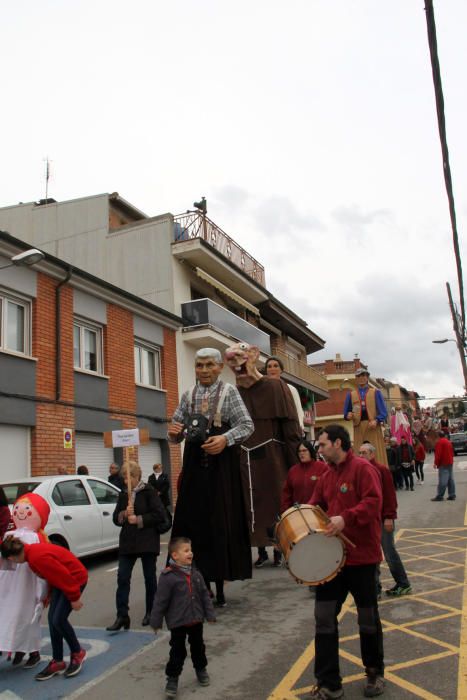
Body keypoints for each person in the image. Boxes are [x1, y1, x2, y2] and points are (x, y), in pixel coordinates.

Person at [169, 348, 254, 607]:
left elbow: (247, 425)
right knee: (194, 525)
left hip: (221, 468)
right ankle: (199, 584)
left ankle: (220, 586)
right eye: (199, 365)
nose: (204, 370)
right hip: (195, 466)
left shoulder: (229, 392)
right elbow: (175, 429)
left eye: (209, 365)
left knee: (220, 523)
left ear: (219, 368)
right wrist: (173, 433)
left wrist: (225, 439)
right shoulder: (187, 395)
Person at [308, 424, 384, 699]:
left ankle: (374, 673)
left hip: (362, 557)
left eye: (323, 444)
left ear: (338, 443)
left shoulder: (363, 469)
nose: (319, 448)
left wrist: (346, 518)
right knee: (324, 618)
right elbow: (315, 507)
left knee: (367, 618)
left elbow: (374, 502)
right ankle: (329, 683)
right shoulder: (327, 475)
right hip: (332, 560)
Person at [224, 342, 302, 568]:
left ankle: (281, 549)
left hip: (273, 459)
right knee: (251, 507)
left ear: (253, 355)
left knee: (276, 503)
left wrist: (296, 463)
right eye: (231, 360)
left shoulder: (277, 387)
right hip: (245, 460)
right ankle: (260, 550)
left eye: (239, 357)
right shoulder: (234, 393)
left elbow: (291, 430)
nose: (236, 364)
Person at [1, 537, 88, 681]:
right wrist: (49, 595)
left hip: (74, 579)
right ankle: (58, 661)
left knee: (58, 620)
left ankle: (77, 652)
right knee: (52, 620)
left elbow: (63, 575)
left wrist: (74, 597)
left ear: (11, 557)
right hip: (63, 583)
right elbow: (51, 575)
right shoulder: (31, 554)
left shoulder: (36, 557)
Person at [150, 536, 216, 698]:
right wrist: (156, 621)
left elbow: (205, 596)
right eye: (186, 550)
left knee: (198, 647)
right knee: (177, 652)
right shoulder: (168, 577)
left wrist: (210, 614)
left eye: (191, 550)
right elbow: (160, 602)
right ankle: (172, 679)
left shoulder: (196, 574)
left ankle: (201, 670)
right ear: (174, 555)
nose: (190, 553)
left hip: (196, 620)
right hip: (178, 623)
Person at [106, 461, 167, 630]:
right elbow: (115, 519)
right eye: (124, 478)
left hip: (147, 540)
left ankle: (151, 612)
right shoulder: (123, 495)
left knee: (149, 578)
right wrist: (124, 514)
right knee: (123, 577)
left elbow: (159, 515)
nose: (126, 481)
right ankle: (122, 615)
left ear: (136, 476)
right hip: (128, 541)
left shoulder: (148, 491)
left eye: (128, 478)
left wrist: (139, 519)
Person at [0, 493, 50, 669]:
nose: (21, 512)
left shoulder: (37, 538)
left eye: (27, 509)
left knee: (27, 617)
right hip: (9, 584)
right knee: (8, 616)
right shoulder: (9, 534)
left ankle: (32, 652)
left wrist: (42, 593)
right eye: (19, 508)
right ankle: (16, 649)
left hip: (28, 583)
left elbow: (42, 566)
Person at [358, 443, 411, 598]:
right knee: (372, 554)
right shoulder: (361, 471)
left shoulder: (382, 470)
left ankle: (403, 583)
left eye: (364, 453)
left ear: (372, 454)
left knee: (389, 552)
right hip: (369, 521)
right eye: (359, 453)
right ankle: (375, 588)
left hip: (383, 519)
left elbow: (390, 496)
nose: (361, 456)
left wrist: (389, 517)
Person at [343, 368, 388, 465]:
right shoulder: (350, 394)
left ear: (367, 377)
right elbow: (346, 413)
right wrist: (348, 415)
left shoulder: (376, 392)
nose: (361, 378)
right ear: (356, 378)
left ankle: (379, 473)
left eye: (363, 375)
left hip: (373, 427)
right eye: (358, 376)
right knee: (360, 453)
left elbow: (383, 412)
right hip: (358, 427)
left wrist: (376, 420)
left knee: (375, 453)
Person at [281, 440, 329, 513]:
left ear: (310, 451)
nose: (301, 453)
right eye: (299, 451)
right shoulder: (293, 470)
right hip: (299, 514)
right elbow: (286, 494)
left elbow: (330, 491)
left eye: (304, 450)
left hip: (319, 513)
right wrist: (286, 511)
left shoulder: (323, 467)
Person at [264, 356, 305, 434]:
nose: (272, 369)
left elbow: (298, 409)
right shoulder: (262, 389)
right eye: (269, 366)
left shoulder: (290, 388)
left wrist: (300, 426)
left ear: (281, 370)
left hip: (288, 428)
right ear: (266, 370)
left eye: (275, 366)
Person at [431, 431, 456, 502]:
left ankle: (440, 496)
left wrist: (435, 463)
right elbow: (452, 452)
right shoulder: (448, 442)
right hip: (450, 462)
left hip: (443, 463)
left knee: (443, 481)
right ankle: (452, 494)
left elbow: (438, 454)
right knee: (450, 479)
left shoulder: (439, 443)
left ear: (438, 436)